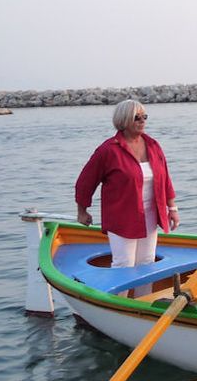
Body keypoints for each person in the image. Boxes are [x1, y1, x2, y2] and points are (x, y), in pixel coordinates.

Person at [75, 99, 179, 270]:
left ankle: (142, 298)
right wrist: (82, 211)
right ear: (124, 120)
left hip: (151, 215)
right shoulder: (108, 150)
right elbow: (85, 182)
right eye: (137, 117)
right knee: (124, 263)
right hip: (121, 218)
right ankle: (118, 297)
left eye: (144, 116)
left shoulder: (153, 146)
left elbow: (165, 178)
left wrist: (172, 209)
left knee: (147, 262)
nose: (142, 121)